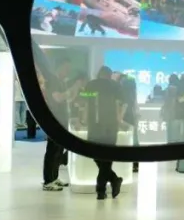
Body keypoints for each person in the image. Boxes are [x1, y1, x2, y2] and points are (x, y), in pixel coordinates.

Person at [84, 66, 124, 200]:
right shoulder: (115, 86)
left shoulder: (91, 85)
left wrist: (83, 119)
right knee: (107, 158)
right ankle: (111, 182)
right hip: (110, 126)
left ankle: (103, 188)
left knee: (96, 155)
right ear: (109, 75)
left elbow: (86, 102)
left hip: (94, 125)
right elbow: (120, 103)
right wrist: (119, 119)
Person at [42, 60, 75, 192]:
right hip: (54, 120)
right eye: (66, 69)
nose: (68, 72)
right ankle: (48, 181)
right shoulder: (53, 80)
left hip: (61, 120)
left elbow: (64, 99)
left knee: (58, 151)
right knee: (52, 150)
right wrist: (71, 90)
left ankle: (54, 177)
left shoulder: (61, 82)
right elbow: (57, 98)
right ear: (60, 67)